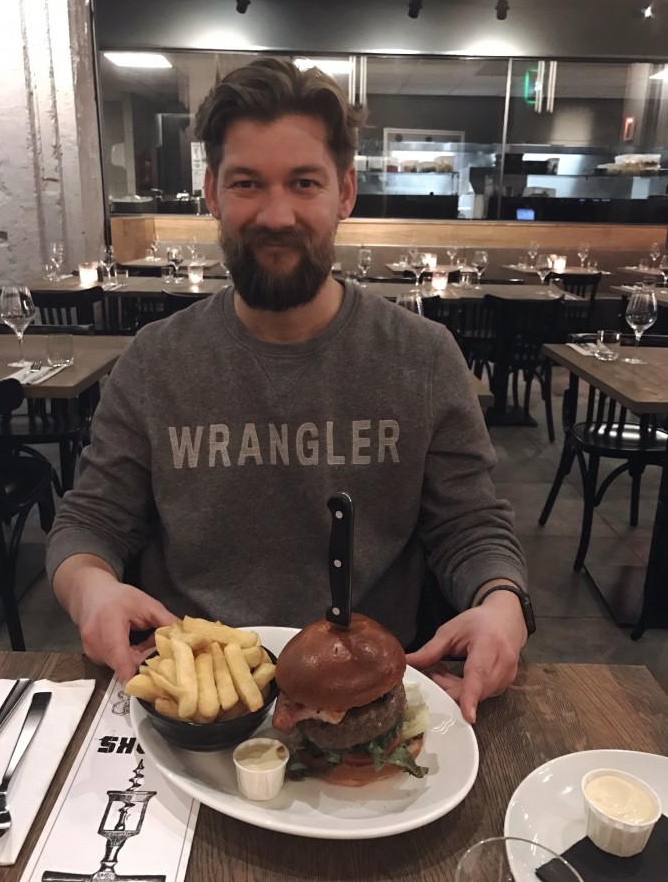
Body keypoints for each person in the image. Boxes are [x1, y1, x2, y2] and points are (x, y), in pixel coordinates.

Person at [47, 58, 531, 724]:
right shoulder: (155, 362)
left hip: (368, 701)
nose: (277, 214)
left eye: (304, 182)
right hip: (196, 714)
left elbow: (470, 527)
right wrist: (92, 591)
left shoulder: (422, 358)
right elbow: (88, 522)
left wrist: (502, 605)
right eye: (247, 183)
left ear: (345, 192)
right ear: (213, 193)